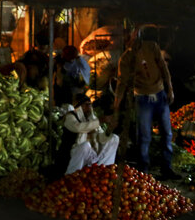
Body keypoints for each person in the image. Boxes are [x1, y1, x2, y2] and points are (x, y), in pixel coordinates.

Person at [115, 24, 177, 179]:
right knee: (144, 136)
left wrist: (170, 89)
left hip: (160, 95)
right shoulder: (126, 58)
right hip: (142, 98)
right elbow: (122, 82)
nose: (134, 40)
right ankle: (144, 172)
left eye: (136, 36)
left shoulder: (152, 47)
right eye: (131, 37)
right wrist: (117, 103)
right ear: (128, 40)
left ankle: (166, 168)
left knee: (167, 134)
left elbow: (164, 69)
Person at [56, 94, 120, 177]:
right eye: (86, 105)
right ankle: (71, 176)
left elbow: (101, 137)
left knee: (114, 138)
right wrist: (100, 120)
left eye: (90, 105)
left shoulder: (92, 118)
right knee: (85, 145)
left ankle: (103, 172)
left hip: (91, 154)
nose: (89, 108)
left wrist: (109, 130)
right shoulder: (70, 117)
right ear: (80, 106)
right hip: (75, 152)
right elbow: (79, 128)